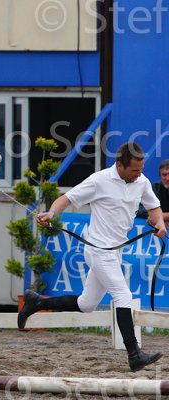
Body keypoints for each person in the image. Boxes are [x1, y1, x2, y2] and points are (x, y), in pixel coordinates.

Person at [17, 142, 167, 372]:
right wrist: (52, 213)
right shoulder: (99, 180)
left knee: (86, 304)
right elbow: (67, 198)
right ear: (119, 165)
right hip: (98, 251)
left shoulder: (142, 181)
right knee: (123, 295)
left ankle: (37, 302)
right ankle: (134, 355)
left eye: (141, 169)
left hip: (115, 251)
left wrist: (159, 223)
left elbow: (154, 207)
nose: (139, 174)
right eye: (135, 170)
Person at [136, 159, 169, 227]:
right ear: (160, 175)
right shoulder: (155, 188)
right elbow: (138, 209)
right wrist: (158, 217)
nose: (168, 178)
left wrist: (161, 217)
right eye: (164, 175)